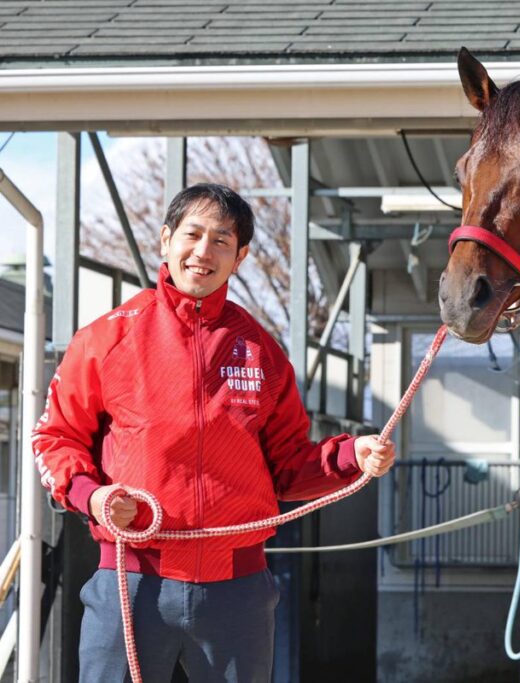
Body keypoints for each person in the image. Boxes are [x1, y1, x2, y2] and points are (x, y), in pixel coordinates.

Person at [32, 183, 395, 682]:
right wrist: (92, 497)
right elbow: (55, 438)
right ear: (166, 240)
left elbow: (289, 467)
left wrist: (352, 455)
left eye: (222, 240)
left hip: (238, 593)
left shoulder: (262, 352)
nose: (204, 251)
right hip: (131, 581)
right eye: (193, 234)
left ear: (240, 257)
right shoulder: (107, 337)